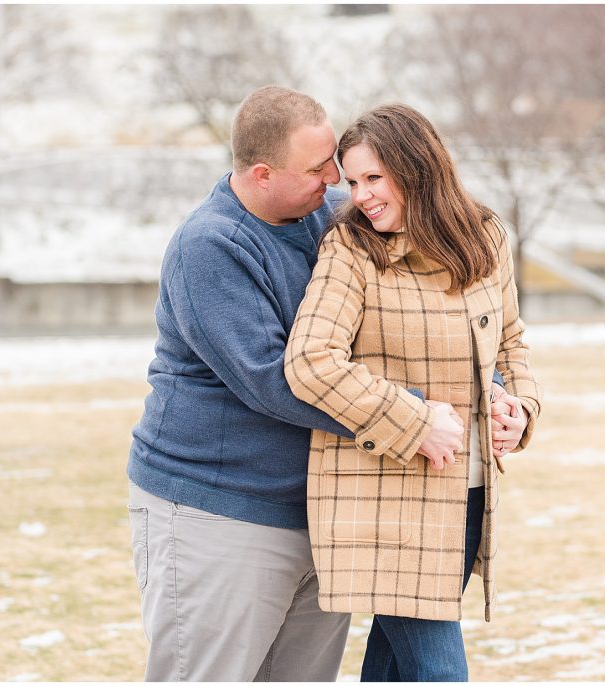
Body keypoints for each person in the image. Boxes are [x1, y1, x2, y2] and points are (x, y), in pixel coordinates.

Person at [124, 86, 488, 681]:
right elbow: (276, 379)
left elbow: (407, 314)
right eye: (319, 170)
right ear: (263, 174)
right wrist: (415, 418)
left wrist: (492, 386)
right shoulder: (210, 247)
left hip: (320, 508)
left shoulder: (328, 221)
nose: (338, 182)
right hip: (217, 511)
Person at [285, 103, 542, 682]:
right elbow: (309, 361)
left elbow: (509, 341)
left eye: (374, 178)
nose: (362, 195)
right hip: (382, 497)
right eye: (352, 182)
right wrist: (414, 419)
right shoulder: (351, 249)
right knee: (439, 671)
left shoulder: (486, 237)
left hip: (469, 489)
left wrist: (520, 410)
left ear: (418, 168)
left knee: (396, 665)